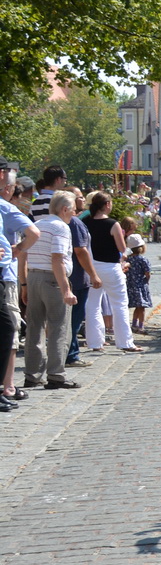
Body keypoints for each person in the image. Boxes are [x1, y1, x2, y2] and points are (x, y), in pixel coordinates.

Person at [23, 191, 78, 390]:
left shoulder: (36, 225)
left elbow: (23, 254)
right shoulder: (61, 228)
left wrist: (24, 283)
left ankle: (33, 374)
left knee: (34, 327)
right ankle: (56, 374)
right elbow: (57, 259)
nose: (75, 214)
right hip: (52, 279)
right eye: (73, 210)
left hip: (34, 276)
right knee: (59, 328)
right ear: (64, 209)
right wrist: (66, 290)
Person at [0, 167, 39, 410]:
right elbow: (34, 233)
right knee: (9, 330)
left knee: (8, 329)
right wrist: (18, 250)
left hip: (7, 275)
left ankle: (6, 387)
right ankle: (8, 386)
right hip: (6, 276)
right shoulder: (6, 207)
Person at [82, 191, 139, 354]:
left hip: (92, 267)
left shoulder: (85, 222)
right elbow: (122, 248)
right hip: (111, 267)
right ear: (107, 205)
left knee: (92, 305)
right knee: (119, 304)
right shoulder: (113, 224)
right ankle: (125, 342)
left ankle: (94, 342)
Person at [62, 189, 95, 368]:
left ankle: (68, 352)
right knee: (74, 320)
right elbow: (81, 251)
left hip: (70, 275)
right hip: (77, 277)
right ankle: (71, 355)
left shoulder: (72, 220)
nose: (82, 199)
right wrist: (93, 274)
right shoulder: (74, 222)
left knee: (70, 320)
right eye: (79, 196)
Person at [125, 232, 152, 332]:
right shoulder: (142, 259)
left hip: (131, 285)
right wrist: (147, 280)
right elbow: (147, 273)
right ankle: (141, 326)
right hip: (140, 285)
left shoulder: (128, 259)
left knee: (137, 307)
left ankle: (134, 324)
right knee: (142, 307)